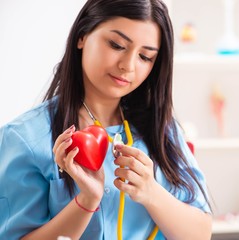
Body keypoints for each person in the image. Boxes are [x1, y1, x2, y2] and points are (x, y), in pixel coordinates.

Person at [0, 0, 212, 239]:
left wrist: (151, 192)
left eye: (145, 56)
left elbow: (201, 233)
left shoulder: (163, 129)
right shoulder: (24, 138)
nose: (128, 66)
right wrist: (86, 201)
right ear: (82, 35)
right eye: (116, 45)